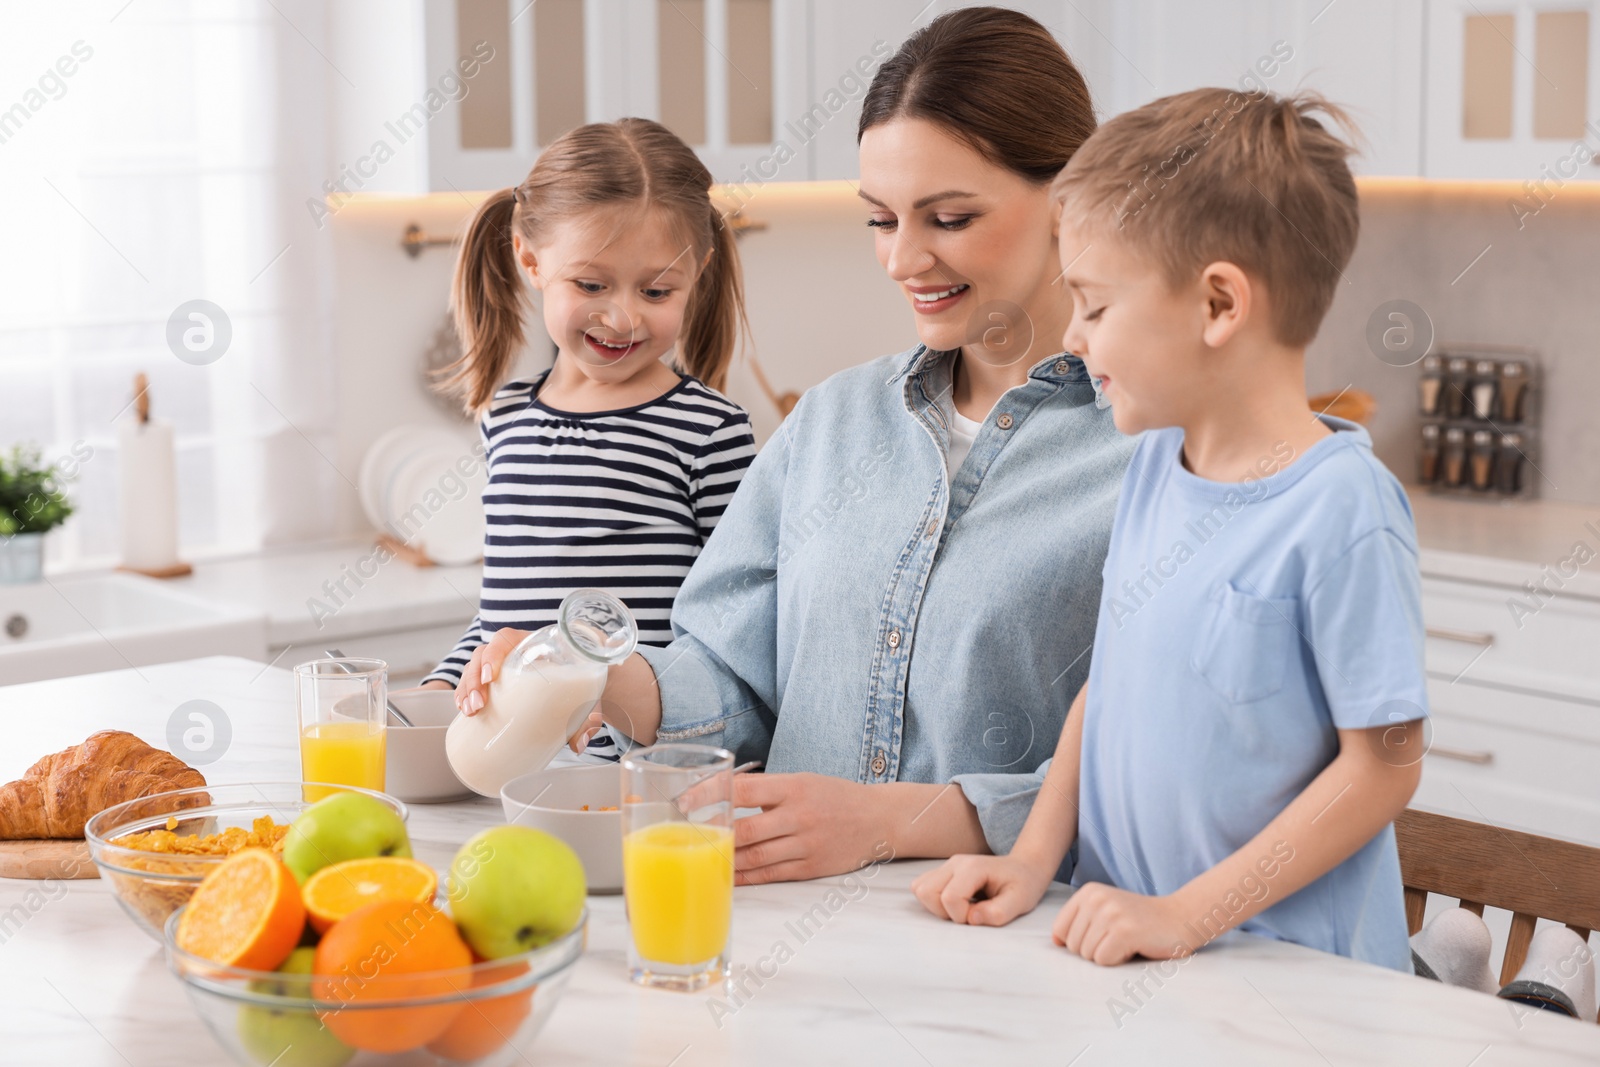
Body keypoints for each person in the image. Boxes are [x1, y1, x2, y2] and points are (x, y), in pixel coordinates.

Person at [450, 7, 1137, 882]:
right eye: (881, 220)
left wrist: (890, 819)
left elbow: (1168, 768)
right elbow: (731, 681)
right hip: (787, 948)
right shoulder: (832, 422)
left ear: (1071, 195)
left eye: (950, 218)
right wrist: (586, 672)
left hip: (1019, 963)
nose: (902, 259)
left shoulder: (1151, 449)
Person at [913, 88, 1431, 972]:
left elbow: (1383, 767)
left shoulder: (1344, 508)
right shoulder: (1155, 465)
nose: (1072, 336)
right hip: (1139, 956)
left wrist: (1187, 914)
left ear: (1219, 305)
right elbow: (1107, 684)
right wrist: (1034, 857)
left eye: (1097, 305)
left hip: (1293, 984)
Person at [420, 117, 757, 766]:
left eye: (656, 290)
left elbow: (731, 644)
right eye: (592, 285)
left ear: (699, 271)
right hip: (515, 772)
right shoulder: (506, 418)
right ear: (529, 258)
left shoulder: (710, 434)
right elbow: (504, 613)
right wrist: (447, 678)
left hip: (641, 784)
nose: (623, 315)